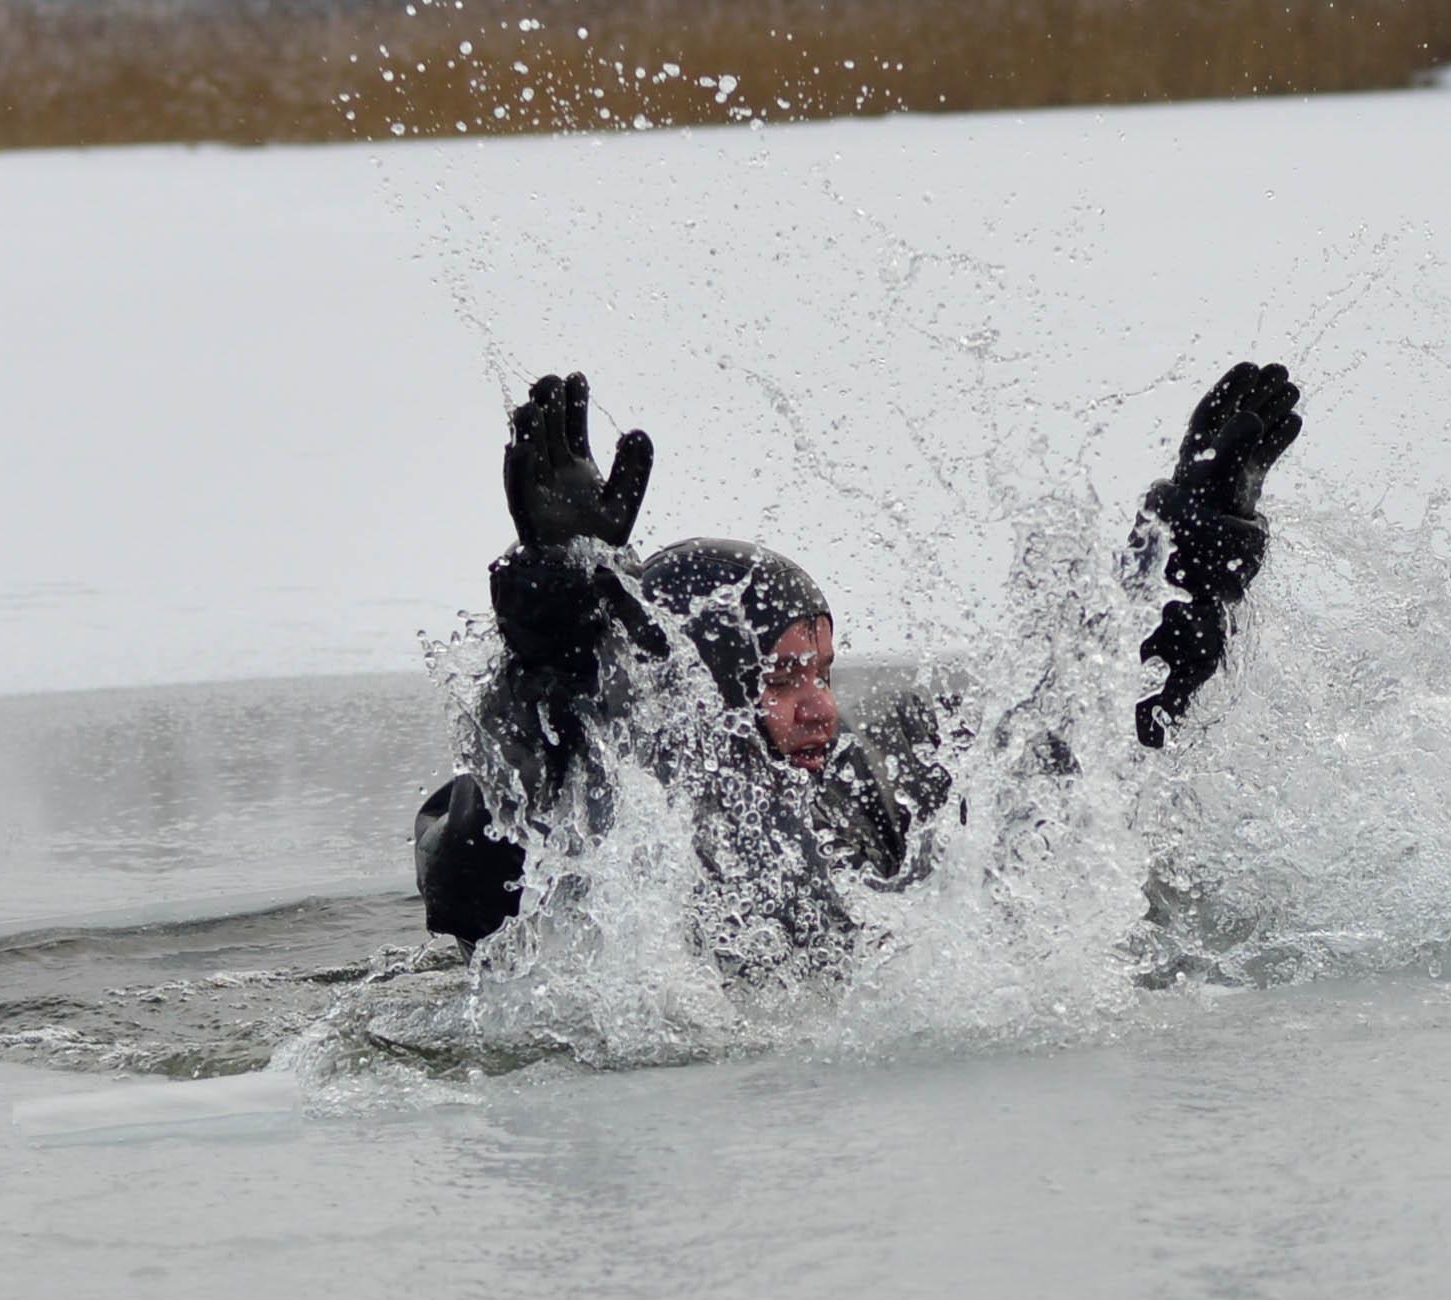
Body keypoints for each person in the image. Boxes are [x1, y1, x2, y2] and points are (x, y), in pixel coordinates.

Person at [414, 363, 1304, 977]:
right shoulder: (606, 809)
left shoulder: (865, 779)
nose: (819, 711)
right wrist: (552, 638)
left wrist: (1194, 556)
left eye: (824, 674)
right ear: (710, 683)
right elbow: (476, 858)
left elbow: (1089, 737)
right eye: (783, 678)